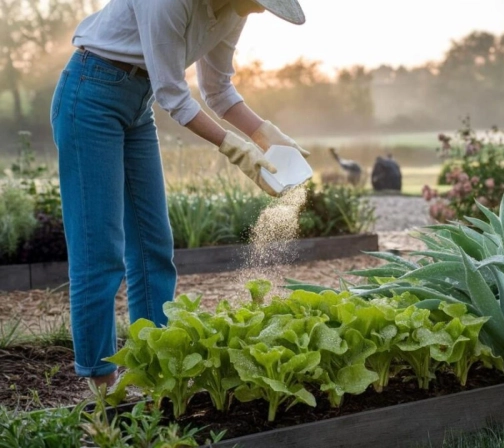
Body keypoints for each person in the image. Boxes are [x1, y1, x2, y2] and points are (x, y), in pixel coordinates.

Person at [49, 0, 309, 390]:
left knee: (153, 245)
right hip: (91, 95)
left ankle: (156, 370)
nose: (258, 11)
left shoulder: (234, 13)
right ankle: (100, 388)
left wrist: (264, 134)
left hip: (139, 105)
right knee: (99, 250)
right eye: (257, 2)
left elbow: (218, 90)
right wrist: (234, 148)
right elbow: (174, 94)